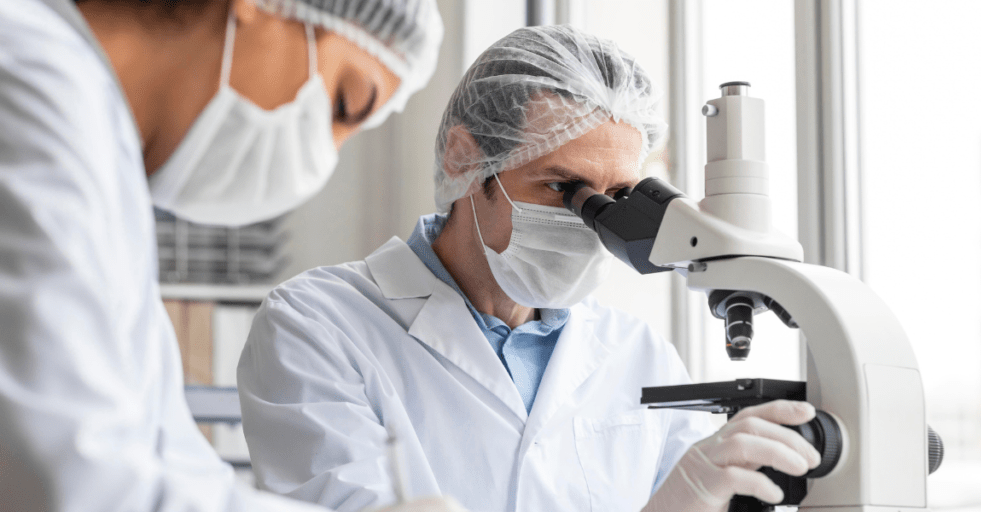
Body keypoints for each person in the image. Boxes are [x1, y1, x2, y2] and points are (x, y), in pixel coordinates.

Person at [237, 24, 822, 512]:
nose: (589, 219)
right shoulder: (317, 325)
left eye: (615, 197)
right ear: (465, 159)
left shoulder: (639, 355)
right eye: (561, 187)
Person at [0, 0, 466, 510]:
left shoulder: (101, 150)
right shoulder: (30, 82)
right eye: (344, 103)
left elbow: (171, 462)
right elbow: (74, 484)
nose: (321, 160)